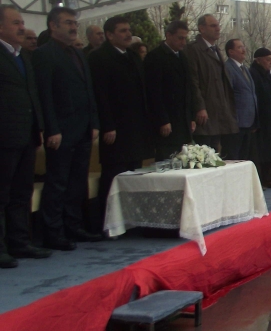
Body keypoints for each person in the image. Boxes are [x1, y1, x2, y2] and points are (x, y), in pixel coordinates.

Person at [32, 7, 100, 251]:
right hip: (61, 130)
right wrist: (52, 128)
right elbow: (45, 96)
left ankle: (74, 226)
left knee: (76, 182)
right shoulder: (43, 55)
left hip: (82, 128)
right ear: (53, 26)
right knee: (58, 182)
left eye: (75, 22)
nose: (73, 27)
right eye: (68, 23)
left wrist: (94, 123)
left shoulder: (78, 54)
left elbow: (88, 90)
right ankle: (53, 232)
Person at [88, 16, 152, 234]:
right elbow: (100, 94)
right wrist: (107, 125)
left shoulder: (133, 56)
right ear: (109, 34)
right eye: (122, 30)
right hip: (115, 129)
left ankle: (130, 219)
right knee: (114, 176)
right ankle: (106, 223)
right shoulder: (99, 57)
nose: (127, 34)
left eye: (129, 29)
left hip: (136, 128)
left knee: (133, 176)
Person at [0, 5, 51, 267]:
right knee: (2, 193)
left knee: (22, 191)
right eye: (15, 23)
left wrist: (39, 126)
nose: (22, 27)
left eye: (22, 22)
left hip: (27, 135)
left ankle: (20, 242)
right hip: (5, 137)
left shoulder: (22, 57)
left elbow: (33, 95)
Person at [186, 14, 238, 154]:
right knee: (204, 153)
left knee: (215, 154)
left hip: (218, 113)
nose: (218, 29)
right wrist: (200, 107)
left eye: (218, 25)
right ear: (202, 28)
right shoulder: (194, 49)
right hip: (205, 114)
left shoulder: (216, 50)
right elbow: (193, 81)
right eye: (213, 26)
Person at [145, 20, 195, 161]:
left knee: (181, 159)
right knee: (166, 158)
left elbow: (188, 89)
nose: (183, 42)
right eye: (180, 38)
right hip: (167, 121)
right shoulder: (156, 57)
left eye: (185, 38)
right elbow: (154, 92)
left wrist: (190, 117)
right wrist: (163, 120)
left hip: (182, 120)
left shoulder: (182, 57)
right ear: (168, 35)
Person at [249, 48, 271, 189]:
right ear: (258, 60)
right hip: (260, 118)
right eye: (267, 59)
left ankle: (269, 177)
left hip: (270, 117)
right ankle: (260, 179)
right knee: (260, 151)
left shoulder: (268, 75)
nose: (270, 62)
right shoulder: (254, 74)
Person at [222, 39, 257, 160]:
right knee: (234, 157)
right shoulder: (228, 68)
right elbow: (227, 95)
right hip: (236, 123)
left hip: (248, 122)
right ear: (230, 52)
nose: (244, 49)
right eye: (240, 47)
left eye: (244, 46)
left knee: (245, 158)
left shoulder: (244, 68)